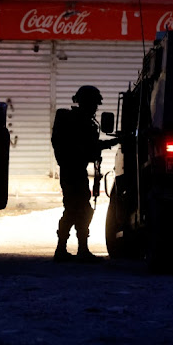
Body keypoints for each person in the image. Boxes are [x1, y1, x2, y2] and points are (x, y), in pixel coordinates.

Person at [51, 85, 118, 263]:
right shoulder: (76, 121)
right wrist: (108, 143)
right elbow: (84, 147)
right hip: (72, 171)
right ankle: (69, 249)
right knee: (76, 209)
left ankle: (73, 249)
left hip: (75, 170)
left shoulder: (82, 121)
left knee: (80, 209)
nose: (96, 108)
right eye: (94, 104)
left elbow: (88, 147)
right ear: (86, 103)